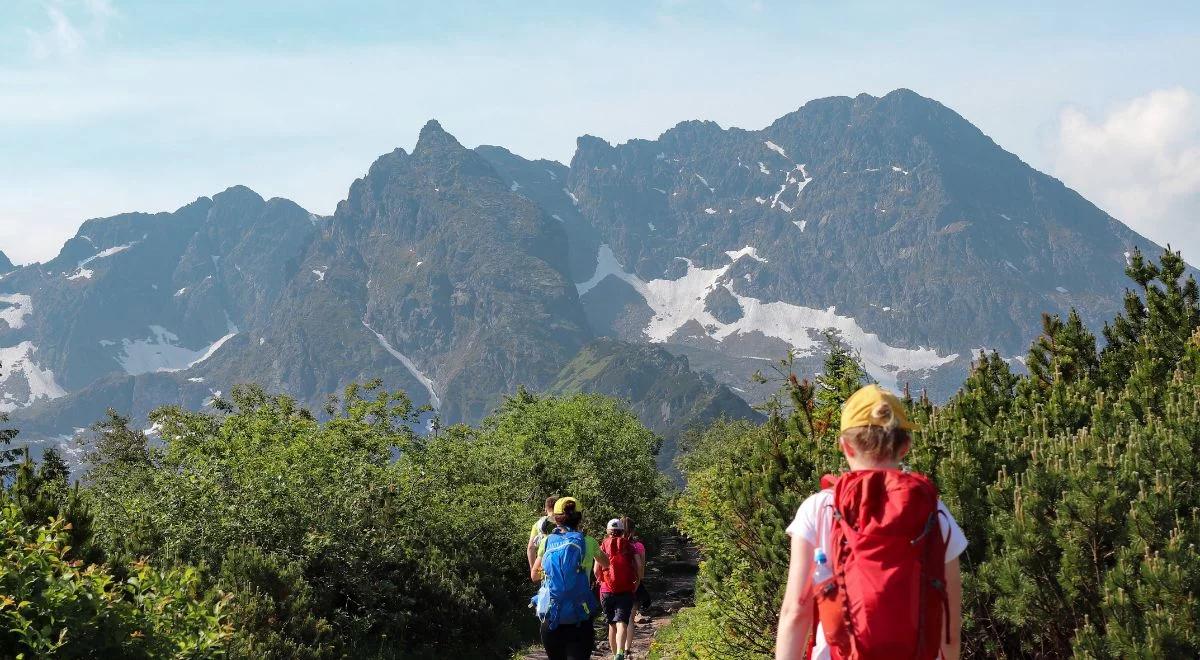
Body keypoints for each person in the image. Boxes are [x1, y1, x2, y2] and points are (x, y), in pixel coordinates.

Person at [775, 385, 966, 660]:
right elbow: (950, 627)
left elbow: (796, 610)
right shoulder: (933, 509)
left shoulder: (818, 508)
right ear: (905, 447)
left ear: (845, 445)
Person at [531, 497, 609, 660]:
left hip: (552, 616)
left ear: (555, 519)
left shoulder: (546, 542)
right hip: (580, 614)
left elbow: (534, 575)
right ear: (579, 517)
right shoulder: (588, 542)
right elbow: (606, 563)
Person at [596, 518, 643, 660]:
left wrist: (600, 580)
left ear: (608, 531)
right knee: (622, 621)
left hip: (606, 590)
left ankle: (613, 653)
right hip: (626, 589)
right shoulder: (630, 545)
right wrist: (637, 581)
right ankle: (620, 653)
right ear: (622, 532)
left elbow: (595, 569)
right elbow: (639, 566)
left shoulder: (602, 545)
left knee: (611, 624)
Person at [617, 516, 647, 658]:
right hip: (634, 584)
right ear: (633, 531)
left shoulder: (612, 544)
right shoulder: (639, 546)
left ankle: (618, 650)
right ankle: (627, 648)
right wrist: (639, 581)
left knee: (617, 619)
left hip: (615, 585)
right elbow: (642, 568)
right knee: (630, 618)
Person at [528, 496, 559, 570]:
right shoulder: (563, 522)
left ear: (546, 509)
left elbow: (531, 548)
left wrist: (534, 570)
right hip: (561, 563)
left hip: (544, 563)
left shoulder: (537, 524)